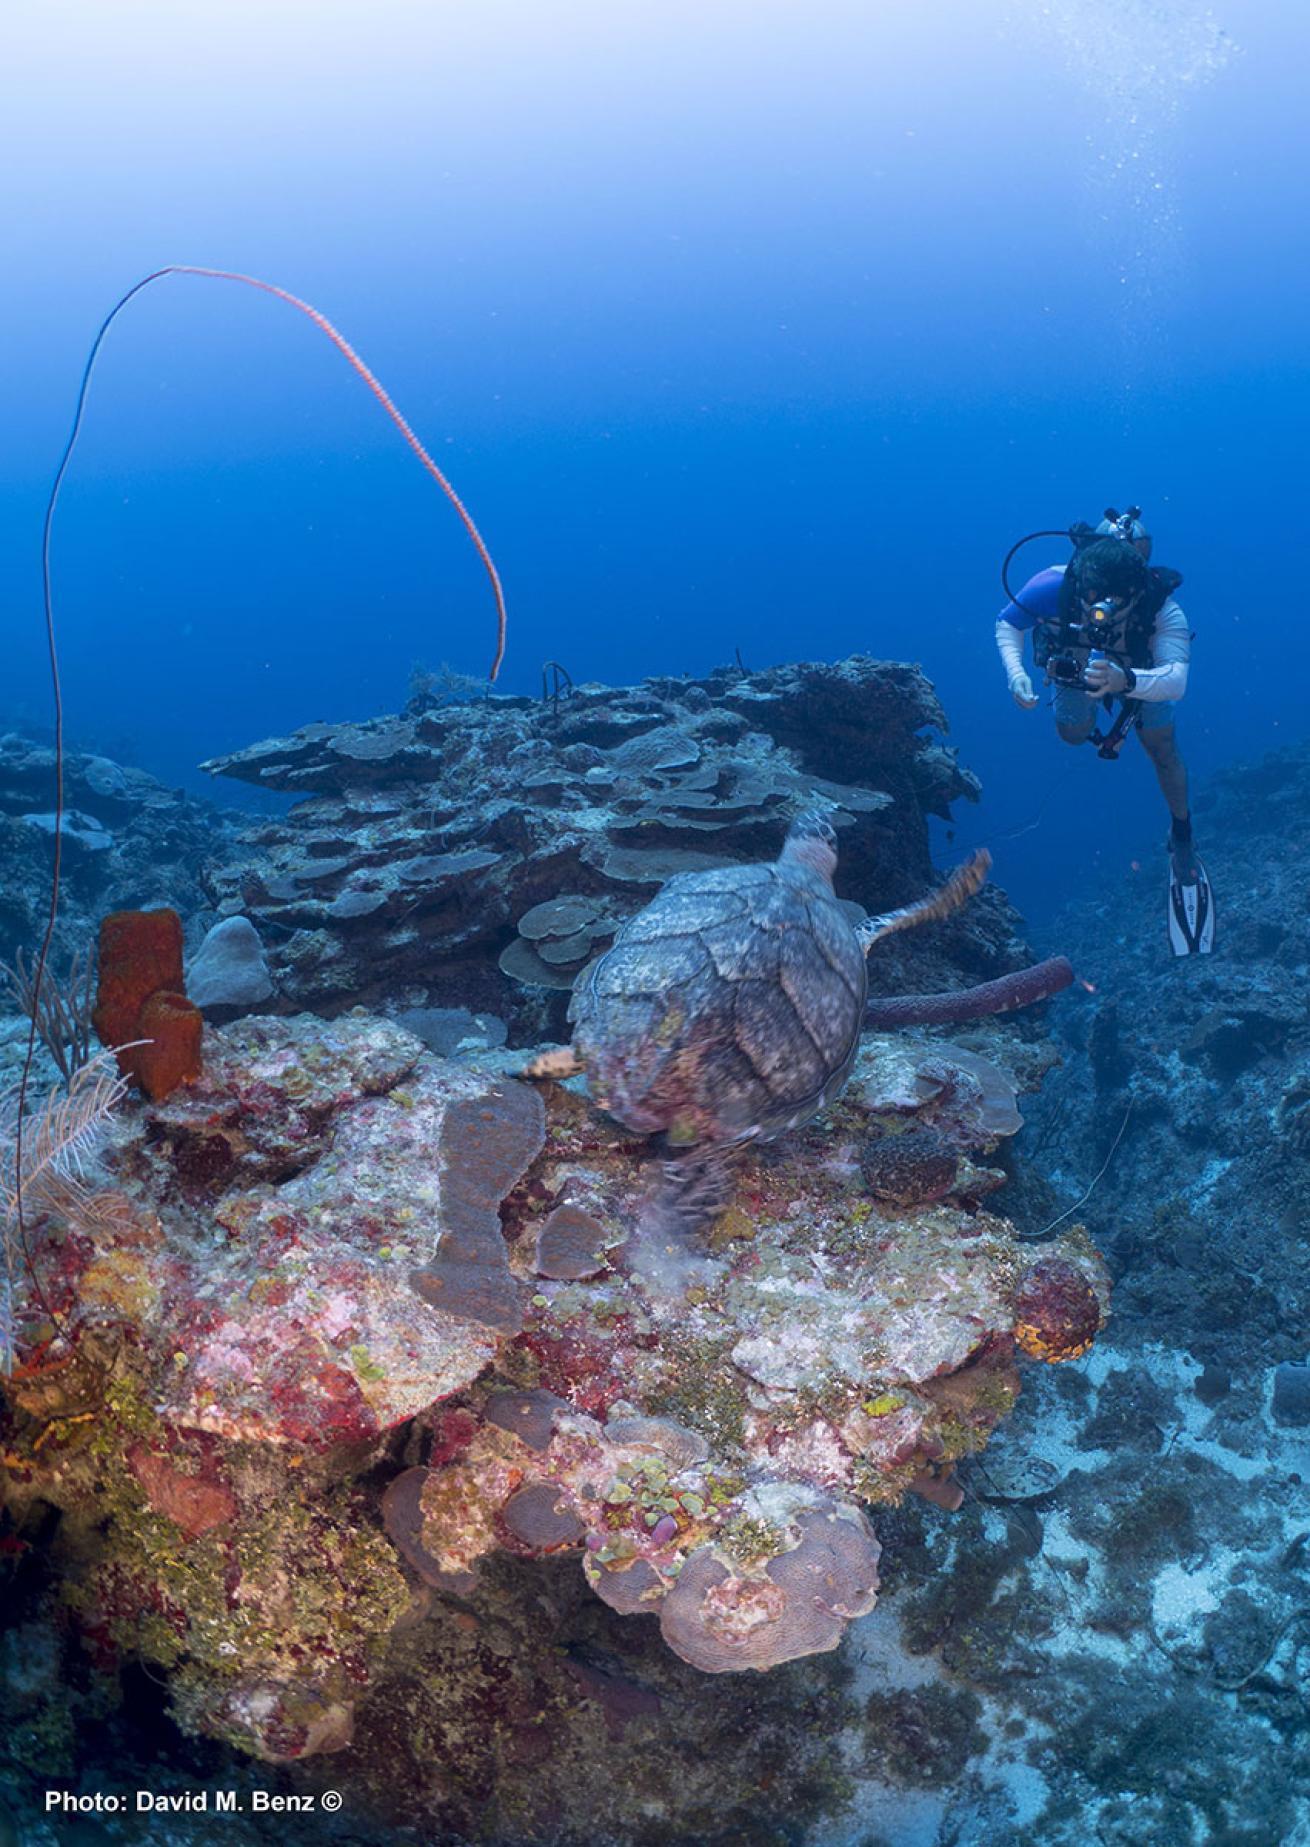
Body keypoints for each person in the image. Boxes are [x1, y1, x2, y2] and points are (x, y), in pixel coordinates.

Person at [994, 508, 1212, 953]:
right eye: (1093, 601)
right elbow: (1008, 623)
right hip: (1076, 670)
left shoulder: (1162, 606)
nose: (1101, 615)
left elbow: (1177, 679)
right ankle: (1091, 715)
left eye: (1115, 605)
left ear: (1139, 591)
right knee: (1072, 733)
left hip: (1140, 672)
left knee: (1162, 747)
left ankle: (1183, 835)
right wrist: (1015, 671)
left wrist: (1126, 681)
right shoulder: (1054, 585)